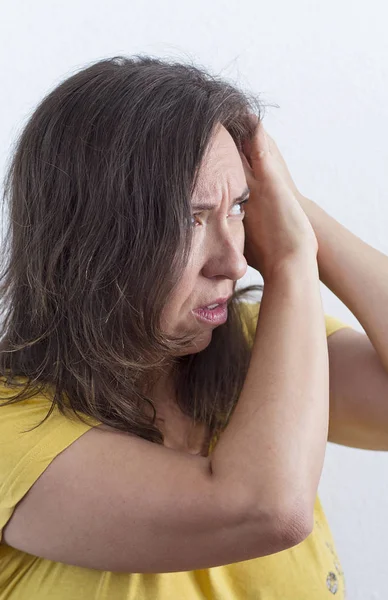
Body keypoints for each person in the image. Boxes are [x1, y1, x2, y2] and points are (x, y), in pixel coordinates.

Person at [0, 56, 352, 599]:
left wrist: (294, 209)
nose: (233, 263)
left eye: (239, 207)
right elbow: (266, 509)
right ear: (88, 237)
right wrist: (291, 259)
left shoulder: (263, 344)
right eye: (188, 218)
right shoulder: (11, 431)